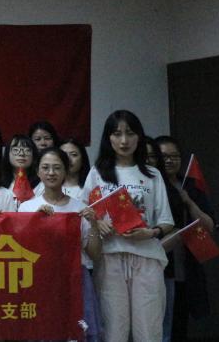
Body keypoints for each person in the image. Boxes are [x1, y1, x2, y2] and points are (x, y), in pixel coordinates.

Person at [83, 110, 174, 342]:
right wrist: (98, 223)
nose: (124, 141)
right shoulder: (97, 173)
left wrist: (150, 232)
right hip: (109, 257)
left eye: (130, 133)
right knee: (114, 330)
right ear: (108, 138)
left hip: (147, 258)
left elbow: (166, 221)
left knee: (149, 330)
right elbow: (84, 211)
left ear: (139, 137)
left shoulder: (152, 174)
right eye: (117, 134)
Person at [19, 147, 102, 341]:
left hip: (74, 280)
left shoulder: (79, 208)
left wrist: (94, 224)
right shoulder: (27, 208)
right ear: (38, 171)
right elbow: (21, 250)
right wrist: (35, 221)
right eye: (45, 167)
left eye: (57, 168)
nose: (51, 173)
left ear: (66, 171)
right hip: (40, 281)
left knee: (75, 333)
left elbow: (95, 254)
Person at [154, 135, 214, 342]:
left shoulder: (189, 185)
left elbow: (209, 225)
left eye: (175, 156)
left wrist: (188, 201)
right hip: (160, 265)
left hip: (187, 264)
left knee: (180, 322)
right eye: (164, 156)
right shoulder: (152, 185)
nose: (170, 160)